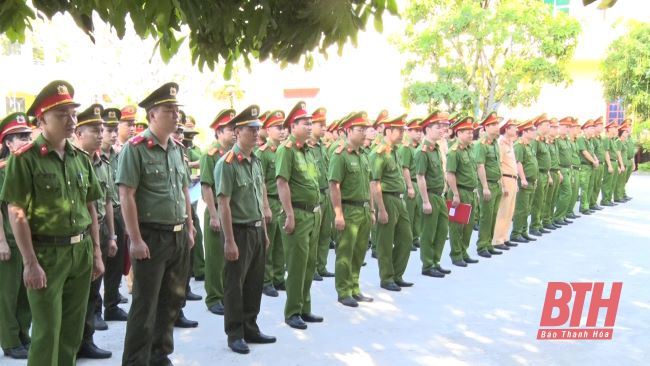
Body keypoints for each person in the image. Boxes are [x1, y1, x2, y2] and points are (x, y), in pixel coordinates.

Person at [1, 80, 104, 365]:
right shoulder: (25, 159)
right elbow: (16, 211)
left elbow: (91, 206)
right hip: (46, 254)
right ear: (42, 118)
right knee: (47, 334)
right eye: (62, 115)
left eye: (73, 114)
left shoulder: (80, 158)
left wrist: (96, 252)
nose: (71, 121)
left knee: (71, 334)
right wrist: (30, 262)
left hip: (80, 251)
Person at [117, 82, 195, 366]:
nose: (176, 116)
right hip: (151, 237)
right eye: (169, 111)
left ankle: (159, 355)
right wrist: (135, 239)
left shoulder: (176, 148)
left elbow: (184, 189)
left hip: (176, 236)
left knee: (171, 302)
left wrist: (189, 227)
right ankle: (136, 361)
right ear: (152, 115)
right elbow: (126, 194)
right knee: (144, 306)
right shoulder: (135, 149)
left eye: (177, 110)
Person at [214, 104, 276, 354]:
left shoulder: (256, 161)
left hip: (256, 229)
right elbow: (224, 204)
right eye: (251, 129)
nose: (256, 133)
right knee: (234, 285)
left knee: (254, 282)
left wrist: (264, 231)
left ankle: (251, 326)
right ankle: (235, 333)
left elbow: (259, 195)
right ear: (237, 132)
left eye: (258, 128)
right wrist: (229, 240)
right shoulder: (227, 163)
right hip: (237, 231)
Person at [275, 101, 323, 330]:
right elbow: (282, 183)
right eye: (306, 123)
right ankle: (292, 311)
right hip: (299, 214)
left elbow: (312, 180)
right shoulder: (286, 150)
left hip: (314, 213)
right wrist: (289, 214)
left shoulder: (308, 151)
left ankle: (305, 308)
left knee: (309, 264)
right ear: (293, 126)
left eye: (311, 123)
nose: (310, 126)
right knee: (296, 265)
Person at [74, 104, 117, 360]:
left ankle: (86, 340)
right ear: (79, 132)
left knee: (92, 291)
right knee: (76, 297)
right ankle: (72, 343)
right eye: (94, 130)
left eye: (102, 130)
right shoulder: (74, 160)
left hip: (98, 228)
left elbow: (108, 201)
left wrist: (111, 235)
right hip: (78, 233)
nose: (100, 134)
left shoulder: (102, 162)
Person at [328, 112, 375, 307]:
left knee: (359, 252)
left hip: (363, 209)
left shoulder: (363, 155)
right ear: (348, 131)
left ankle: (355, 287)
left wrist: (372, 210)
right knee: (345, 253)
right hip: (348, 209)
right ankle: (343, 290)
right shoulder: (341, 155)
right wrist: (338, 213)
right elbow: (334, 185)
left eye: (365, 129)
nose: (364, 133)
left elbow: (370, 185)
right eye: (359, 130)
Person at [0, 112, 33, 360]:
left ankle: (23, 334)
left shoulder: (30, 166)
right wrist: (1, 241)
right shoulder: (2, 170)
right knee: (8, 294)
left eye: (27, 135)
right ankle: (10, 341)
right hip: (9, 241)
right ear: (7, 144)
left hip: (30, 241)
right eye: (19, 137)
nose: (25, 140)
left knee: (27, 293)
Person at [370, 114, 415, 291]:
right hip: (386, 198)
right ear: (388, 131)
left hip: (399, 198)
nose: (403, 133)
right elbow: (375, 182)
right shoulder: (379, 152)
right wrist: (380, 209)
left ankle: (397, 274)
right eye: (400, 130)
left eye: (404, 130)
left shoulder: (396, 151)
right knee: (385, 242)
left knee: (406, 238)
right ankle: (387, 277)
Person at [200, 109, 236, 314]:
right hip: (216, 211)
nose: (234, 133)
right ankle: (214, 298)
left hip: (230, 212)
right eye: (231, 129)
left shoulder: (232, 154)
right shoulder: (210, 155)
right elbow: (206, 187)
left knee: (229, 256)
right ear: (219, 132)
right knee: (215, 258)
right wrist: (214, 215)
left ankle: (224, 294)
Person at [100, 107, 130, 322]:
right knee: (97, 265)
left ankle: (111, 304)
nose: (112, 133)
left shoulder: (118, 156)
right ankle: (94, 312)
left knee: (116, 262)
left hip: (118, 214)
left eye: (114, 129)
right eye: (108, 129)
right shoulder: (90, 157)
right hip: (99, 217)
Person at [415, 111, 451, 277]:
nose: (442, 130)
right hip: (429, 195)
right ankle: (427, 265)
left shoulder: (436, 148)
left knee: (442, 230)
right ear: (428, 129)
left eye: (443, 127)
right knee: (428, 232)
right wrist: (425, 201)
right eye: (438, 127)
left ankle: (436, 261)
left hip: (440, 195)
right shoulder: (423, 151)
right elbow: (420, 176)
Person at [256, 110, 287, 297]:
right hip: (270, 202)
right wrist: (265, 206)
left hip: (282, 202)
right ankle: (266, 281)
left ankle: (278, 278)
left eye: (284, 128)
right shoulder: (263, 153)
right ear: (268, 130)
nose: (282, 131)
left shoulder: (284, 151)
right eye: (278, 128)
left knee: (281, 243)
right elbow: (260, 182)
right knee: (268, 243)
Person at [446, 116, 481, 267]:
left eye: (471, 131)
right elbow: (450, 174)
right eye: (466, 131)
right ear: (459, 133)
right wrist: (455, 194)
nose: (470, 134)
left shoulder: (471, 149)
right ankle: (456, 254)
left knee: (469, 225)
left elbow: (475, 170)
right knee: (457, 226)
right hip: (459, 192)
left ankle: (464, 251)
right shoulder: (454, 151)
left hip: (471, 192)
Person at [473, 112, 504, 257]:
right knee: (486, 216)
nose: (498, 127)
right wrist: (484, 186)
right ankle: (482, 245)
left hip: (496, 184)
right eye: (494, 124)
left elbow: (498, 165)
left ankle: (489, 243)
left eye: (498, 124)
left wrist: (502, 184)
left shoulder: (495, 143)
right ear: (486, 127)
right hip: (488, 185)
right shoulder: (481, 145)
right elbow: (480, 166)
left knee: (494, 215)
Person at [310, 107, 335, 281]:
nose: (324, 128)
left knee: (325, 232)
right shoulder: (307, 147)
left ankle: (321, 265)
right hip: (315, 194)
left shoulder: (321, 147)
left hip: (326, 193)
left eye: (325, 124)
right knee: (314, 235)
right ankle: (312, 269)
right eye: (321, 124)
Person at [509, 119, 539, 244]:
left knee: (527, 208)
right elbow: (518, 163)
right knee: (521, 208)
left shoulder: (529, 146)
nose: (534, 132)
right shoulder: (519, 146)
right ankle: (516, 233)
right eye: (532, 130)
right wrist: (523, 178)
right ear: (525, 132)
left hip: (532, 181)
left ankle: (523, 231)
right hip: (524, 182)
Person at [492, 118, 519, 249]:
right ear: (507, 129)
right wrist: (502, 185)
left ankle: (505, 237)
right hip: (506, 179)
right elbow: (499, 165)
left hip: (513, 179)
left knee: (510, 211)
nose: (516, 129)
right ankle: (497, 240)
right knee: (503, 211)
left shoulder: (510, 143)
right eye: (513, 127)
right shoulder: (501, 143)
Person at [399, 118, 423, 251]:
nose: (419, 133)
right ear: (409, 132)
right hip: (411, 183)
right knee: (409, 214)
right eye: (416, 131)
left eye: (420, 131)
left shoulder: (419, 147)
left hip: (418, 183)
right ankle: (407, 240)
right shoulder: (406, 148)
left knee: (418, 213)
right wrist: (409, 187)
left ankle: (415, 237)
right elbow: (405, 168)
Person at [529, 114, 552, 236]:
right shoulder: (536, 140)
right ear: (539, 126)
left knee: (542, 200)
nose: (549, 127)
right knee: (537, 201)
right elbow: (533, 158)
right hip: (538, 174)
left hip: (545, 173)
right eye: (546, 125)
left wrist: (548, 174)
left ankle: (539, 223)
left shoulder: (543, 139)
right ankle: (534, 226)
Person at [553, 117, 576, 225]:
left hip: (568, 169)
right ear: (560, 127)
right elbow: (556, 156)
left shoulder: (567, 140)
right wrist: (559, 171)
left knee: (567, 193)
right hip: (561, 169)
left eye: (569, 127)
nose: (568, 129)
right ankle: (558, 216)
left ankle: (562, 215)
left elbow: (570, 156)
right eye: (566, 127)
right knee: (566, 193)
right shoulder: (556, 140)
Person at [541, 118, 563, 230]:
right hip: (549, 173)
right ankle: (545, 220)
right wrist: (549, 175)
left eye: (556, 127)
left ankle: (549, 218)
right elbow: (545, 162)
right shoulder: (545, 143)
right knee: (547, 199)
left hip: (556, 172)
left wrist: (559, 172)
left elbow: (555, 160)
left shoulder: (555, 143)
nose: (556, 130)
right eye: (553, 127)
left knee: (553, 198)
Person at [577, 119, 598, 215]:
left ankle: (587, 204)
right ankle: (583, 207)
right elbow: (584, 152)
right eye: (591, 128)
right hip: (584, 166)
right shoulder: (581, 139)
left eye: (593, 128)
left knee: (590, 186)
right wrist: (594, 161)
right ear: (585, 130)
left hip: (591, 166)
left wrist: (596, 160)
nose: (593, 130)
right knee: (585, 187)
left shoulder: (590, 140)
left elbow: (592, 152)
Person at [589, 117, 605, 211]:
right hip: (595, 164)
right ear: (595, 127)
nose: (602, 127)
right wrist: (594, 161)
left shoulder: (600, 139)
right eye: (600, 125)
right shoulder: (593, 139)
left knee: (598, 184)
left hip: (601, 164)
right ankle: (591, 202)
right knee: (593, 184)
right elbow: (592, 152)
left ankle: (594, 202)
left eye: (602, 125)